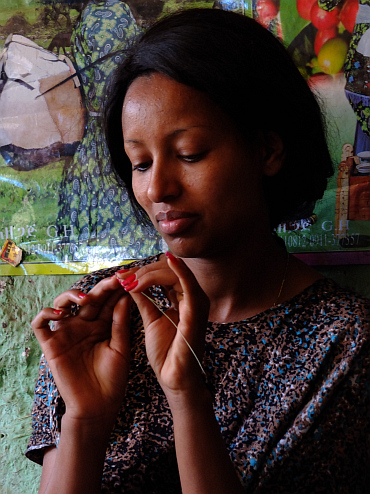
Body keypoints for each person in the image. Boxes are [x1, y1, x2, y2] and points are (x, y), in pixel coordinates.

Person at [25, 8, 370, 494]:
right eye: (140, 163)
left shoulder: (343, 343)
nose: (158, 188)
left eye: (189, 154)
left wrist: (188, 397)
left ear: (268, 150)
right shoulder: (99, 315)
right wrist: (83, 420)